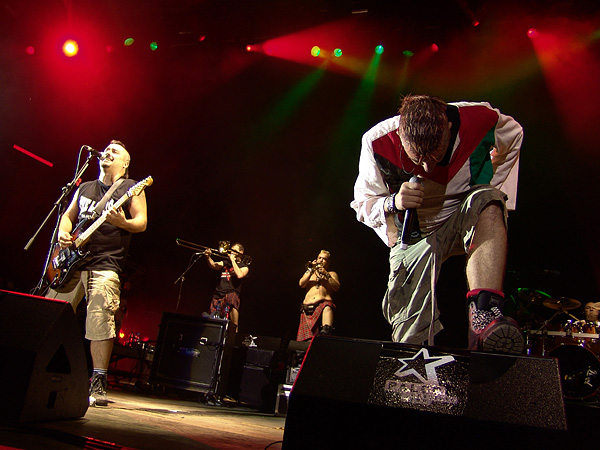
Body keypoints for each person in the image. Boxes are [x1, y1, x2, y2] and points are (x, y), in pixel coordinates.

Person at [351, 94, 524, 354]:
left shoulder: (478, 118)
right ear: (400, 134)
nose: (426, 165)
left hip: (461, 217)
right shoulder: (376, 140)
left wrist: (493, 178)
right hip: (414, 233)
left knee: (488, 198)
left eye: (435, 153)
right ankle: (411, 364)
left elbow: (514, 134)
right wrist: (394, 202)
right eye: (417, 157)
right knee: (409, 332)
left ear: (449, 128)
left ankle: (485, 314)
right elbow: (362, 205)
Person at [46, 140, 148, 406]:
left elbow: (141, 222)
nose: (107, 153)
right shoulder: (85, 187)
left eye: (115, 152)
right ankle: (36, 365)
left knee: (100, 319)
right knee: (50, 313)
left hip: (105, 262)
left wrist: (122, 221)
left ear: (125, 163)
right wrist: (63, 234)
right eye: (107, 150)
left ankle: (99, 381)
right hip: (71, 261)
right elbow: (68, 216)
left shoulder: (131, 187)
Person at [205, 242, 249, 333]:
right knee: (211, 318)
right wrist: (208, 257)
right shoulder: (225, 263)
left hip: (231, 292)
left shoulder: (244, 267)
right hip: (218, 293)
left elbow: (240, 275)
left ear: (241, 252)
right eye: (231, 251)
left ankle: (233, 333)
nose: (231, 253)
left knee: (232, 299)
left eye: (234, 251)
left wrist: (233, 261)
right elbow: (214, 265)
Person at [297, 250, 340, 341]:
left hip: (323, 306)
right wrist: (310, 270)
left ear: (328, 262)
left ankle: (326, 332)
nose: (321, 260)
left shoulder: (332, 274)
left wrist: (326, 274)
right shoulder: (310, 273)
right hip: (307, 308)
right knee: (304, 343)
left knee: (325, 333)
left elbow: (336, 287)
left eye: (324, 259)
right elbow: (301, 284)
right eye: (319, 258)